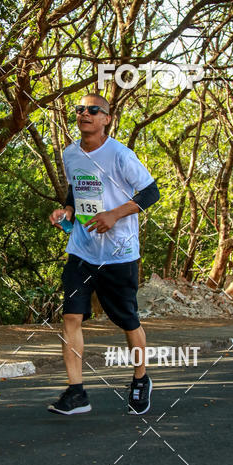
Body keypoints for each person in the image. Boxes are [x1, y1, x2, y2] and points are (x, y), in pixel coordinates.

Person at [47, 92, 160, 415]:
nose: (85, 114)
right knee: (71, 316)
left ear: (106, 119)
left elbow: (151, 192)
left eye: (93, 110)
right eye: (80, 109)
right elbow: (75, 189)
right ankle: (76, 393)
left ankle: (141, 378)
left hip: (118, 253)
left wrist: (114, 214)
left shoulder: (120, 154)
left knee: (128, 321)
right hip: (82, 251)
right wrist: (67, 211)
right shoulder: (70, 154)